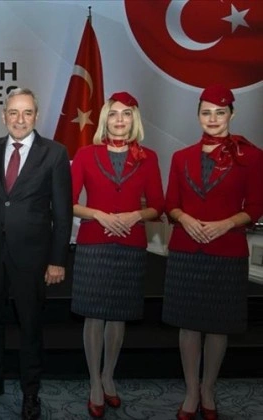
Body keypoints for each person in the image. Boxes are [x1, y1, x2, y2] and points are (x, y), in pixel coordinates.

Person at [0, 87, 73, 420]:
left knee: (30, 325)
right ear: (4, 116)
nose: (19, 119)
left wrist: (57, 260)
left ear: (36, 116)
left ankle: (30, 392)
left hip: (33, 256)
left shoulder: (55, 153)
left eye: (26, 112)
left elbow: (63, 213)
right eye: (13, 112)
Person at [162, 85, 263, 420]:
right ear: (198, 116)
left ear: (232, 114)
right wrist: (185, 219)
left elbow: (256, 207)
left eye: (220, 113)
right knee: (189, 324)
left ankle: (209, 388)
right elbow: (171, 204)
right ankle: (192, 390)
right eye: (206, 112)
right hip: (186, 248)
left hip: (227, 248)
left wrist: (226, 224)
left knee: (219, 324)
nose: (213, 119)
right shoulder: (181, 157)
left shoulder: (251, 157)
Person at [69, 92, 164, 417]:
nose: (119, 119)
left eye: (126, 114)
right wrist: (99, 214)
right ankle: (94, 382)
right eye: (113, 113)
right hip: (94, 243)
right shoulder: (86, 154)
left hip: (130, 244)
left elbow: (158, 205)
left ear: (134, 119)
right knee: (94, 314)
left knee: (118, 315)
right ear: (105, 119)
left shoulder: (148, 157)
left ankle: (109, 375)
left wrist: (135, 215)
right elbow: (68, 202)